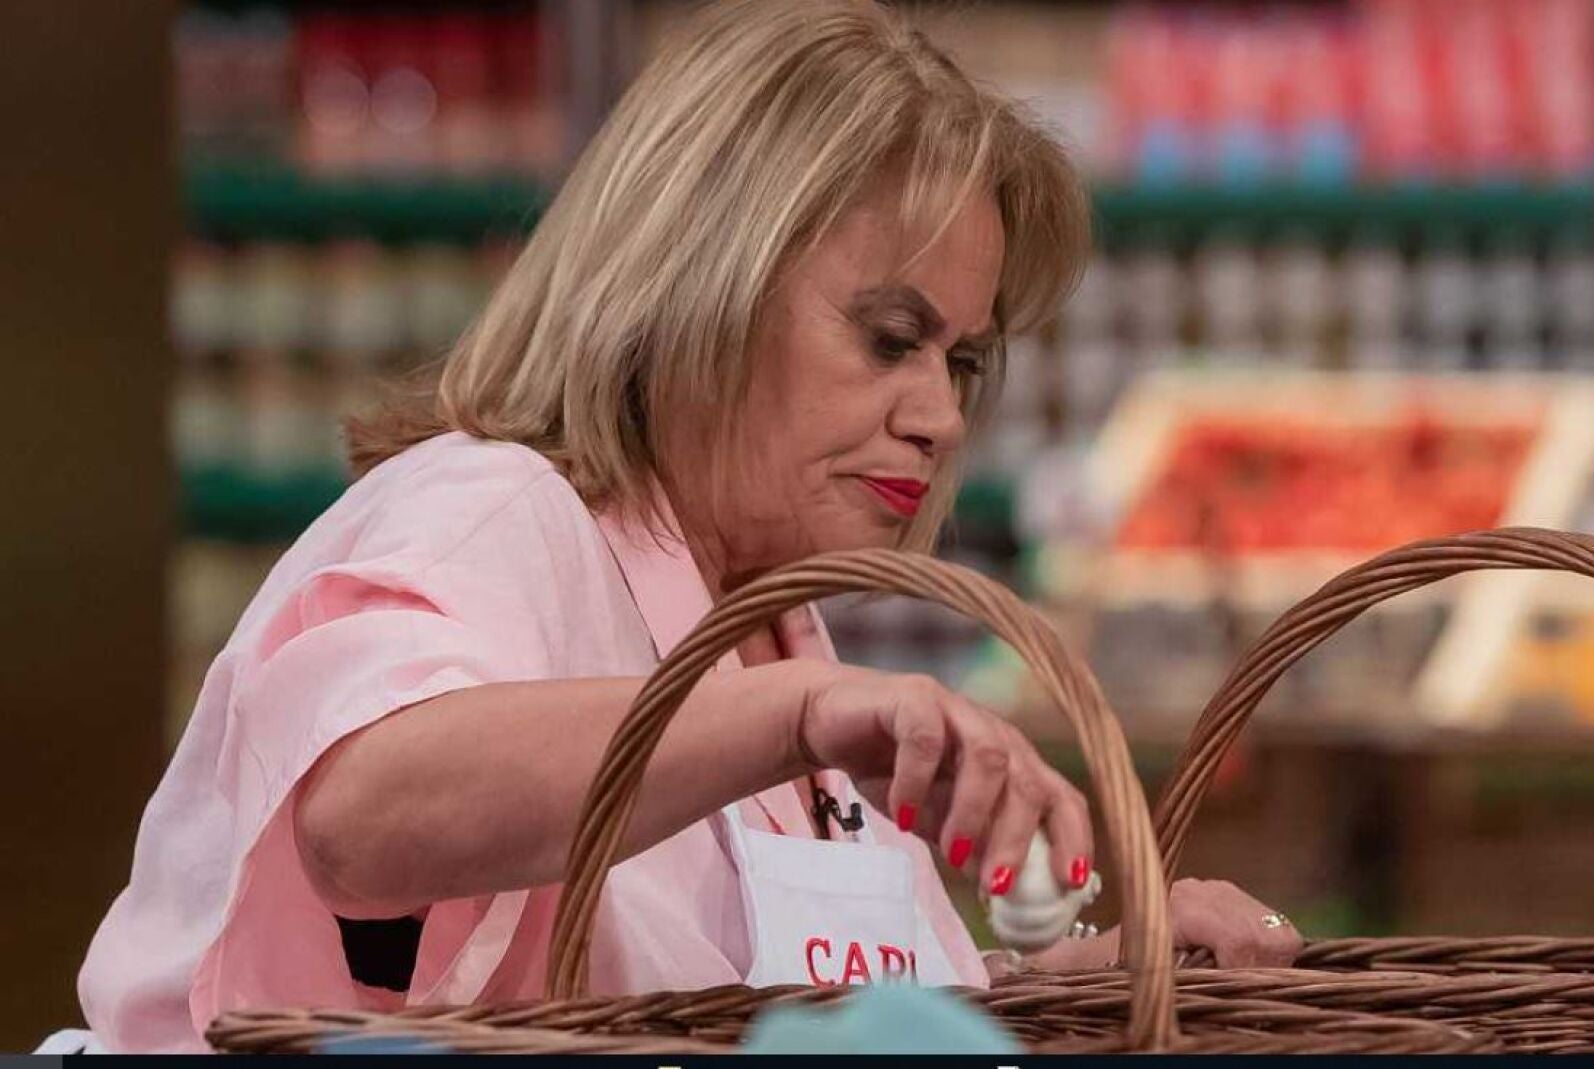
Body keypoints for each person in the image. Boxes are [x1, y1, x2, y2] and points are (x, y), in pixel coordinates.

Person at [74, 0, 1299, 1053]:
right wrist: (797, 715)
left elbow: (762, 1011)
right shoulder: (497, 506)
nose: (938, 417)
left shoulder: (775, 632)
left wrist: (1066, 986)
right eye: (890, 338)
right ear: (699, 283)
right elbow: (362, 811)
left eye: (962, 363)